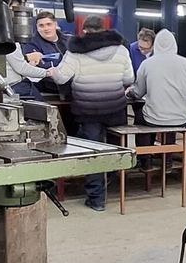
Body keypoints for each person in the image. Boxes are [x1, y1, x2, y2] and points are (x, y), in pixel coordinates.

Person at [48, 16, 133, 211]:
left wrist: (52, 71)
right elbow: (129, 78)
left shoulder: (75, 51)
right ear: (104, 29)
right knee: (114, 150)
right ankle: (112, 185)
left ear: (84, 31)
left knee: (93, 153)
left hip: (89, 111)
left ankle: (97, 199)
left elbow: (61, 79)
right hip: (115, 109)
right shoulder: (121, 49)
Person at [130, 28, 186, 130]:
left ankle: (145, 145)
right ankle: (170, 145)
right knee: (170, 127)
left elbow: (138, 93)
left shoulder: (146, 64)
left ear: (155, 44)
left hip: (153, 118)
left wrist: (130, 92)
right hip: (181, 118)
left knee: (140, 116)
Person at [24, 11, 67, 94]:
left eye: (49, 24)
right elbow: (31, 69)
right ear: (37, 27)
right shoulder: (31, 44)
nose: (46, 28)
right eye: (41, 26)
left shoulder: (68, 40)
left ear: (55, 24)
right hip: (49, 89)